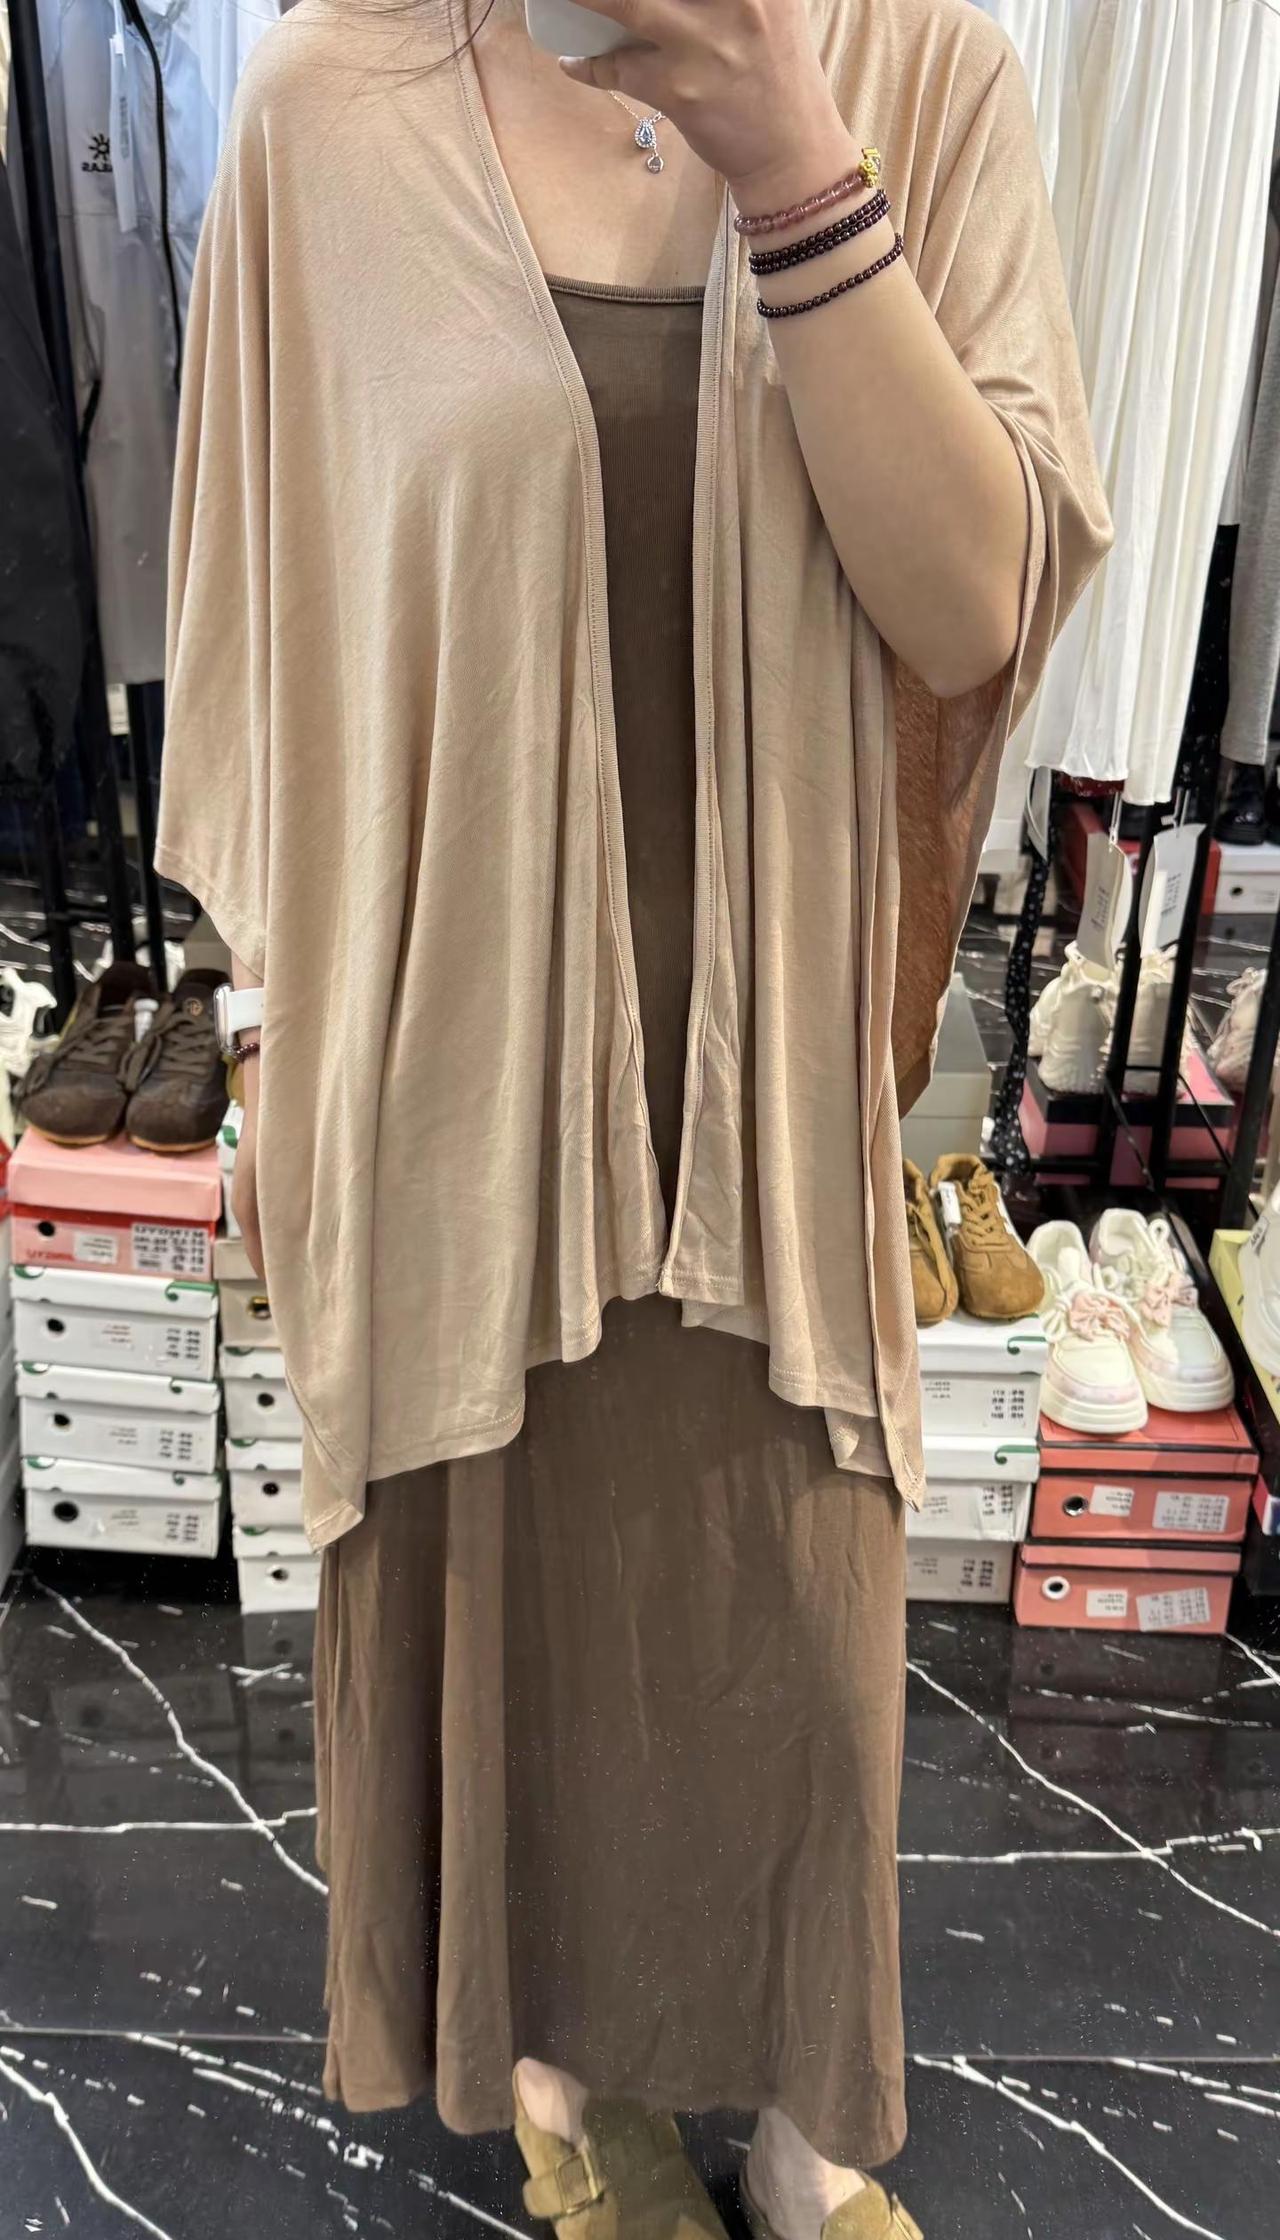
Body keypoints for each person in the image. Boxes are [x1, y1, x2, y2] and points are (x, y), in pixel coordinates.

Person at [155, 2, 1110, 2234]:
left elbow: (968, 606)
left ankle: (803, 2123)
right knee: (515, 1618)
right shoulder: (327, 108)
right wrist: (267, 1034)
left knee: (792, 1617)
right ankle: (568, 2084)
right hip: (449, 1082)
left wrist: (790, 154)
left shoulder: (923, 77)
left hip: (770, 1096)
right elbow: (268, 630)